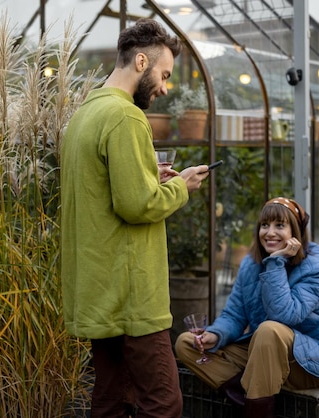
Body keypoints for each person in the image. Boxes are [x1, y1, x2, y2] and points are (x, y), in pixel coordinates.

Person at [60, 18, 211, 418]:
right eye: (163, 75)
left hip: (98, 292)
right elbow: (137, 206)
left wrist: (150, 176)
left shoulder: (84, 115)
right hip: (131, 296)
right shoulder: (125, 117)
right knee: (164, 403)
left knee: (111, 398)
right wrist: (182, 187)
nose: (165, 87)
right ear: (141, 62)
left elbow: (108, 191)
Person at [175, 197, 319, 418]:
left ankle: (256, 402)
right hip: (265, 353)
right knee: (186, 343)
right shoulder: (250, 263)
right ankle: (253, 402)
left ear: (295, 231)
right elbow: (235, 314)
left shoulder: (315, 265)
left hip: (313, 361)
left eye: (279, 225)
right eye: (265, 225)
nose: (270, 232)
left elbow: (285, 315)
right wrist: (216, 335)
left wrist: (276, 262)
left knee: (269, 329)